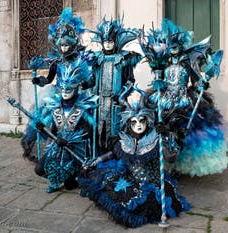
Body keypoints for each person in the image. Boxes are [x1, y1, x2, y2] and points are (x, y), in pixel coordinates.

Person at [78, 86, 190, 228]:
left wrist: (166, 135)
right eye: (134, 122)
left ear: (147, 121)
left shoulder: (156, 139)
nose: (138, 125)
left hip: (151, 183)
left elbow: (171, 157)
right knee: (102, 180)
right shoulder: (125, 139)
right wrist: (96, 161)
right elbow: (114, 153)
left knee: (141, 204)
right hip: (130, 178)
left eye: (141, 121)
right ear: (129, 123)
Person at [140, 19, 228, 176]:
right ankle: (162, 162)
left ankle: (180, 164)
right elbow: (159, 79)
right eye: (171, 47)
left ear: (180, 47)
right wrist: (157, 77)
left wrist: (201, 85)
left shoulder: (187, 63)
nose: (174, 50)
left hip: (183, 98)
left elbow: (196, 79)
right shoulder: (164, 62)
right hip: (164, 97)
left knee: (184, 129)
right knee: (160, 125)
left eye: (176, 47)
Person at [21, 8, 91, 161]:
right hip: (57, 94)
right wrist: (39, 81)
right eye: (62, 45)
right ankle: (50, 152)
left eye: (67, 45)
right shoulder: (56, 62)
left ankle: (76, 153)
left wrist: (84, 85)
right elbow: (49, 78)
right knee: (46, 120)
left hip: (76, 95)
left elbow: (87, 79)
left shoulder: (79, 61)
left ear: (72, 44)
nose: (64, 48)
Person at [33, 58, 98, 193]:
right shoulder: (55, 107)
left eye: (68, 89)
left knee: (71, 183)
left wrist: (69, 141)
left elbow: (88, 132)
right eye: (62, 88)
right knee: (39, 169)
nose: (65, 91)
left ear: (75, 88)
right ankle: (58, 177)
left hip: (75, 148)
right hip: (58, 146)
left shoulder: (83, 108)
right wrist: (41, 129)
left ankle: (71, 178)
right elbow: (52, 132)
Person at [86, 16, 142, 152]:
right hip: (99, 102)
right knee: (98, 130)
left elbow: (130, 80)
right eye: (106, 41)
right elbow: (92, 79)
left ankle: (115, 155)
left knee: (115, 131)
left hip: (115, 102)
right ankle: (98, 155)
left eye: (110, 41)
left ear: (115, 41)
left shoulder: (123, 58)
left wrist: (121, 95)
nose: (108, 44)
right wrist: (85, 85)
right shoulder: (96, 59)